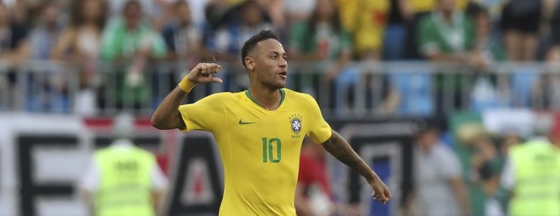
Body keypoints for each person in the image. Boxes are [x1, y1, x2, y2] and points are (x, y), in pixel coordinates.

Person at [151, 29, 391, 215]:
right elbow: (160, 120)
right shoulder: (224, 106)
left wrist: (370, 176)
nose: (283, 63)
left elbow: (332, 140)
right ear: (251, 63)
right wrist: (188, 83)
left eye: (284, 57)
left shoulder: (304, 105)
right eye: (274, 57)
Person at [80, 113, 168, 216]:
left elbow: (87, 190)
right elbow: (161, 188)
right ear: (133, 133)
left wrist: (93, 212)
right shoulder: (145, 158)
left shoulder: (101, 158)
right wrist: (155, 211)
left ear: (111, 133)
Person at [501, 115, 560, 216]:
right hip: (552, 211)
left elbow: (508, 184)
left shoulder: (517, 153)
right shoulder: (557, 154)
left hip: (523, 211)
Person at [411, 120, 470, 216]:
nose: (420, 140)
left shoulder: (444, 156)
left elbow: (458, 186)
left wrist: (466, 212)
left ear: (433, 134)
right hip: (424, 209)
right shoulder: (418, 156)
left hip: (443, 210)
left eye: (423, 136)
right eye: (418, 137)